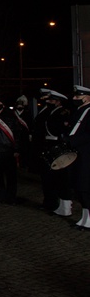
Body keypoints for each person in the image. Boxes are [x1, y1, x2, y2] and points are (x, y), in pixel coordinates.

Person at [34, 90, 73, 215]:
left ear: (58, 101)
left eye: (51, 100)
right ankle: (53, 203)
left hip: (58, 146)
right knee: (49, 177)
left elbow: (61, 129)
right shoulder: (51, 112)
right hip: (49, 146)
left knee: (60, 177)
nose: (48, 101)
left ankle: (63, 205)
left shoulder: (62, 113)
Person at [67, 85, 90, 230]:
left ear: (87, 97)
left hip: (87, 153)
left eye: (78, 96)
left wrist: (73, 141)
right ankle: (85, 217)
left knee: (86, 186)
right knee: (80, 187)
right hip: (78, 153)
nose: (75, 99)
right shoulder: (80, 110)